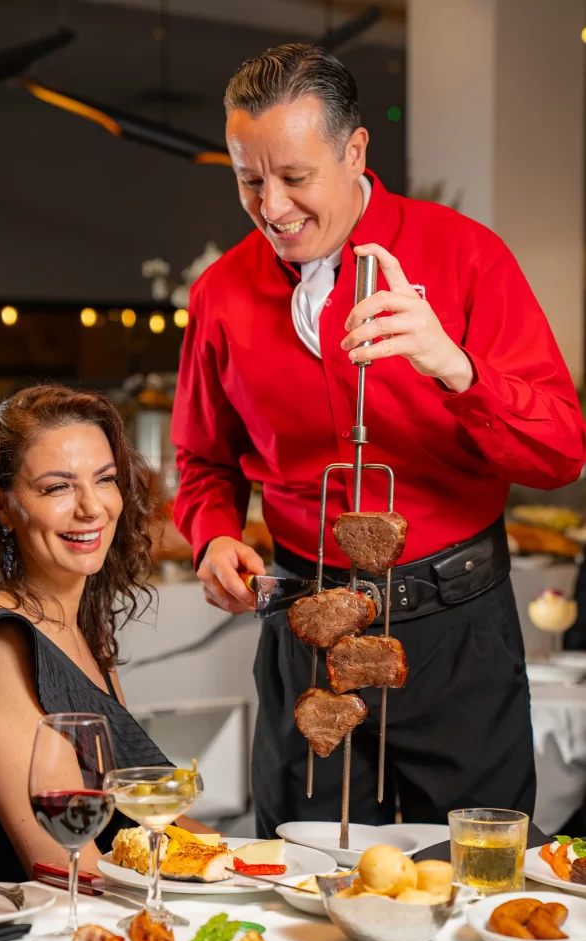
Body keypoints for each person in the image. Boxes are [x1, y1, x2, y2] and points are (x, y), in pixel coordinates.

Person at [171, 44, 586, 838]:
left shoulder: (467, 257)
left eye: (295, 177)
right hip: (306, 627)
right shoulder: (220, 293)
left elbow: (561, 452)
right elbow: (203, 459)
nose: (273, 207)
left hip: (456, 634)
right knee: (300, 878)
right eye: (249, 180)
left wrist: (454, 367)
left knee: (474, 882)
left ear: (355, 151)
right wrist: (214, 534)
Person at [0, 384, 207, 886]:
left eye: (104, 479)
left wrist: (266, 865)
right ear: (1, 504)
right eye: (57, 487)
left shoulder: (79, 630)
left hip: (79, 921)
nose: (91, 508)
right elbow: (66, 867)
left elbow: (132, 822)